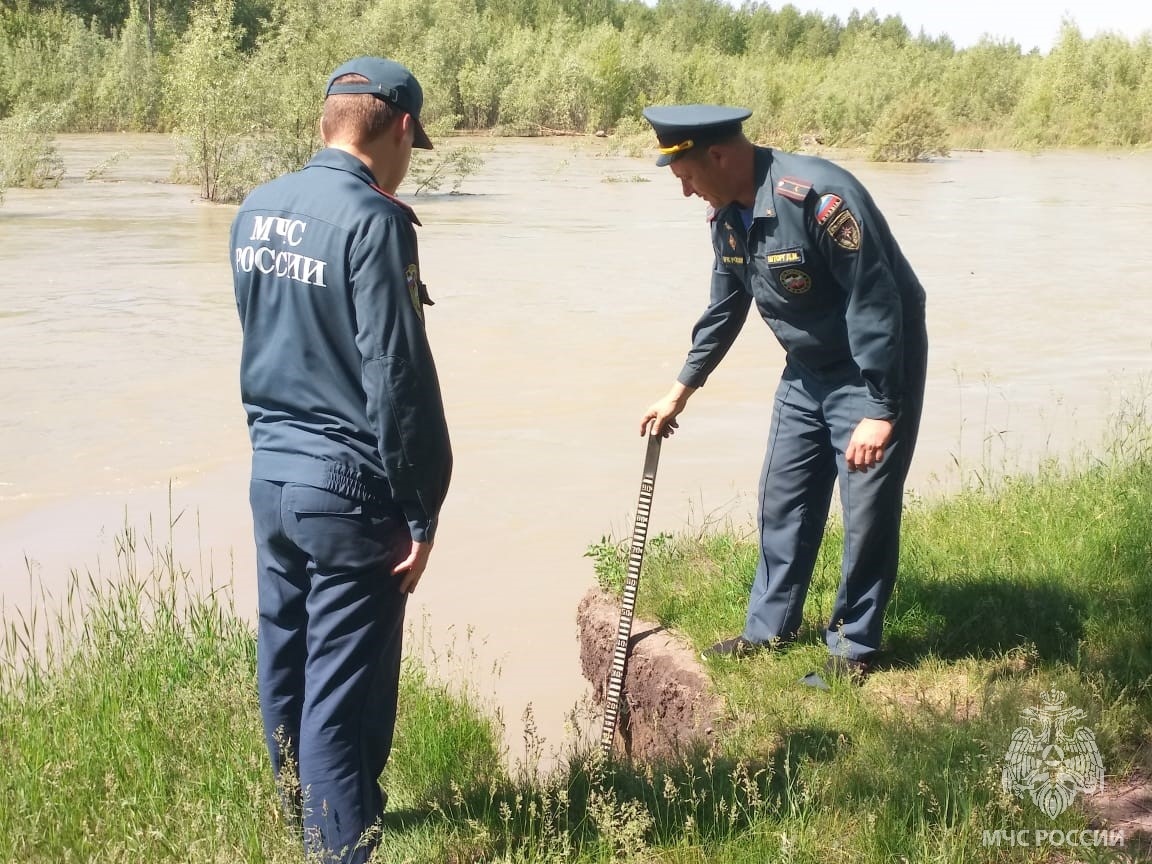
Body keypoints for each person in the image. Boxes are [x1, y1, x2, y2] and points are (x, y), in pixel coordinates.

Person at [230, 56, 451, 862]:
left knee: (283, 658)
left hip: (271, 477)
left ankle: (303, 822)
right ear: (398, 128)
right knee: (341, 693)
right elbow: (396, 377)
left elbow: (265, 340)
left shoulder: (257, 208)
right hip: (350, 491)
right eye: (412, 144)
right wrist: (423, 509)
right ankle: (341, 850)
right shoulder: (375, 220)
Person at [639, 104, 928, 683]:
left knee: (866, 511)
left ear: (718, 156)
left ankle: (853, 647)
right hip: (806, 369)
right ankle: (768, 630)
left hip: (870, 367)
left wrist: (881, 408)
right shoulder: (728, 215)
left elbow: (877, 301)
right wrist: (681, 390)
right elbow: (724, 309)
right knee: (784, 498)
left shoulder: (819, 197)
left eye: (687, 177)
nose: (686, 191)